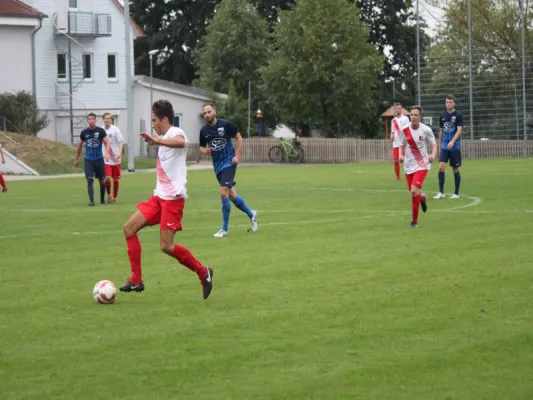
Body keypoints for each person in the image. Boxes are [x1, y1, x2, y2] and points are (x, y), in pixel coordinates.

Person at [119, 100, 213, 299]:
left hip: (173, 200)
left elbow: (181, 143)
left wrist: (157, 141)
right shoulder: (163, 138)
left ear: (164, 119)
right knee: (129, 228)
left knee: (166, 246)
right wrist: (156, 141)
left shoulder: (174, 133)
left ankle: (203, 272)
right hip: (158, 198)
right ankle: (136, 280)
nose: (153, 124)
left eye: (155, 120)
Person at [199, 103, 258, 238]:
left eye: (209, 112)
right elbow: (201, 147)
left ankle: (224, 229)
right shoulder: (204, 131)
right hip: (218, 166)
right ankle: (251, 214)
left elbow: (239, 138)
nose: (207, 115)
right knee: (231, 195)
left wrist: (237, 156)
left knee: (223, 192)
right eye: (205, 113)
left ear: (214, 111)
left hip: (229, 162)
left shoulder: (226, 125)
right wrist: (205, 151)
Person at [397, 105, 437, 228]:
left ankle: (414, 222)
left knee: (414, 191)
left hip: (422, 165)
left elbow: (434, 144)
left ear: (420, 117)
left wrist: (433, 155)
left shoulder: (426, 130)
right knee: (414, 193)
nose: (413, 117)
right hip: (408, 165)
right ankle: (422, 198)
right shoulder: (405, 129)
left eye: (415, 115)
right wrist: (400, 155)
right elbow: (401, 144)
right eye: (411, 115)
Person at [75, 113, 110, 206]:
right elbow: (79, 146)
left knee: (102, 180)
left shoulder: (101, 131)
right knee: (89, 179)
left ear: (95, 120)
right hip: (88, 160)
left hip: (99, 160)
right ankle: (91, 200)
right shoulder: (84, 132)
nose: (91, 120)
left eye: (93, 119)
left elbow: (107, 142)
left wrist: (107, 153)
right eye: (89, 119)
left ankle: (102, 199)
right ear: (88, 121)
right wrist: (76, 158)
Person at [434, 94, 464, 199]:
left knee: (455, 169)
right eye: (447, 102)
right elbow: (441, 131)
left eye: (450, 102)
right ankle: (441, 192)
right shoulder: (442, 115)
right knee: (441, 167)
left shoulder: (458, 115)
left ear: (454, 103)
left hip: (454, 146)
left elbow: (460, 129)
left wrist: (452, 141)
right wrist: (439, 144)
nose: (448, 104)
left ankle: (456, 193)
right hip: (444, 146)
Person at [102, 113, 124, 203]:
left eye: (109, 118)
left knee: (115, 179)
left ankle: (115, 197)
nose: (107, 120)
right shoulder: (101, 130)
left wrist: (119, 152)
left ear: (111, 120)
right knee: (107, 177)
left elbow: (121, 141)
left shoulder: (115, 129)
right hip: (106, 158)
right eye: (105, 118)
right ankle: (109, 195)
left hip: (115, 157)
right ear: (103, 119)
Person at [390, 103, 410, 180]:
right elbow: (392, 131)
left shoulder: (405, 119)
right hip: (395, 143)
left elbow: (407, 130)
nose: (398, 109)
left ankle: (408, 174)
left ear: (401, 109)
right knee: (396, 160)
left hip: (404, 143)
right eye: (396, 108)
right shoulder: (393, 120)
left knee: (405, 160)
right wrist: (391, 136)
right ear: (395, 110)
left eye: (399, 108)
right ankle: (397, 176)